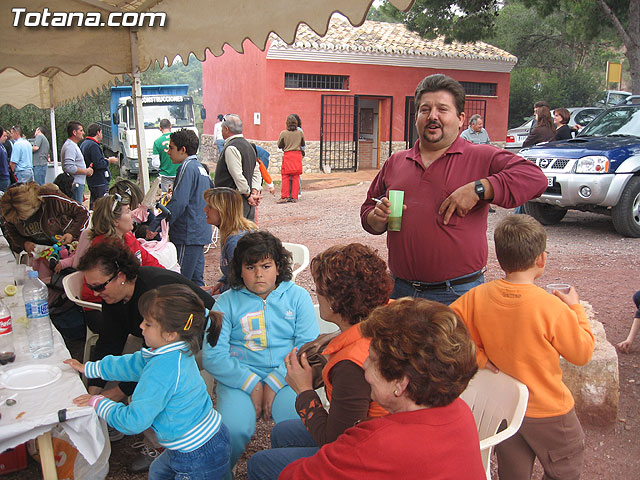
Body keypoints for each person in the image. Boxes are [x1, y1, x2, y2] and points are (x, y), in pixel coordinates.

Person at [360, 74, 547, 305]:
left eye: (442, 109)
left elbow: (535, 178)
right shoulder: (396, 162)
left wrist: (480, 188)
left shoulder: (481, 156)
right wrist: (376, 219)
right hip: (400, 291)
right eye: (425, 109)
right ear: (416, 117)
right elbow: (369, 208)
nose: (433, 116)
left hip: (458, 294)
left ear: (460, 119)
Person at [451, 215, 595, 480]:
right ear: (541, 259)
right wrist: (575, 308)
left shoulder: (476, 296)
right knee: (567, 461)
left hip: (505, 408)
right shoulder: (551, 308)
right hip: (549, 409)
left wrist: (479, 358)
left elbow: (446, 330)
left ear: (500, 258)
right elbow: (582, 353)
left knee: (513, 472)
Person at [279, 298, 485, 479]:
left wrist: (305, 393)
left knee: (262, 464)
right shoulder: (461, 410)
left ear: (401, 383)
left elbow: (292, 475)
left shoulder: (377, 442)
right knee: (283, 433)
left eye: (373, 359)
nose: (365, 364)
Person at [247, 243, 393, 480]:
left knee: (259, 464)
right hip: (387, 433)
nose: (316, 294)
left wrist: (304, 389)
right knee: (282, 433)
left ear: (335, 301)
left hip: (370, 457)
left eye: (319, 290)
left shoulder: (352, 366)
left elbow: (335, 442)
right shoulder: (391, 315)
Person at [65, 284, 231, 480]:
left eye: (148, 323)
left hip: (196, 454)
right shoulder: (169, 350)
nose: (141, 326)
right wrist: (92, 368)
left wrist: (99, 403)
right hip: (197, 440)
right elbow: (132, 364)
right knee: (158, 472)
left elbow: (133, 421)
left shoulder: (162, 370)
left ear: (170, 333)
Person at [77, 241, 215, 472]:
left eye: (99, 286)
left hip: (202, 337)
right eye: (91, 286)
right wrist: (94, 388)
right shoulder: (115, 296)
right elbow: (109, 341)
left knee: (146, 391)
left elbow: (156, 362)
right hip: (165, 340)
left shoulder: (153, 291)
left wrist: (118, 392)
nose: (94, 293)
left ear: (120, 276)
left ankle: (159, 446)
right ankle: (117, 417)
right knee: (126, 358)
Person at [202, 231, 319, 474]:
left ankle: (295, 473)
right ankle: (223, 472)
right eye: (250, 267)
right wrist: (252, 383)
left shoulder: (298, 297)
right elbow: (213, 356)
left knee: (302, 427)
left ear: (279, 267)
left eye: (266, 266)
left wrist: (274, 382)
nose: (258, 274)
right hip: (238, 379)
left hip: (288, 379)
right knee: (230, 431)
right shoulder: (224, 303)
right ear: (238, 270)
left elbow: (307, 347)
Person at [165, 129, 213, 286]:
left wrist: (161, 222)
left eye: (171, 148)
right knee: (196, 281)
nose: (168, 152)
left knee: (180, 282)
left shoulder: (186, 167)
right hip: (199, 231)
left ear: (183, 149)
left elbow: (179, 202)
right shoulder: (200, 168)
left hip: (187, 233)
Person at [0, 181, 89, 257]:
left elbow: (83, 213)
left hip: (64, 248)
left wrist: (72, 234)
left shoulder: (51, 199)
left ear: (33, 206)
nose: (21, 220)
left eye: (22, 217)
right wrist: (24, 243)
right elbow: (11, 230)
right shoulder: (10, 211)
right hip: (40, 253)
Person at [203, 187, 257, 295]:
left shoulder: (235, 241)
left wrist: (220, 291)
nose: (205, 209)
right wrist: (222, 282)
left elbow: (242, 281)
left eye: (210, 206)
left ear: (222, 210)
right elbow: (232, 270)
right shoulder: (233, 232)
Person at [215, 114, 262, 220]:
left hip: (233, 202)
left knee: (235, 234)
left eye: (222, 128)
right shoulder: (249, 146)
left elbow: (237, 176)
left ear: (226, 129)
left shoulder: (231, 147)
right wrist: (254, 190)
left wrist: (249, 195)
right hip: (244, 201)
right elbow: (256, 172)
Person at [80, 123, 118, 208]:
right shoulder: (93, 146)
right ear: (98, 132)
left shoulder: (84, 144)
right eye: (101, 132)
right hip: (99, 181)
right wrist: (109, 161)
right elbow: (99, 163)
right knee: (102, 205)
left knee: (94, 204)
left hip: (92, 180)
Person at [61, 121, 94, 204]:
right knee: (76, 211)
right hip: (75, 184)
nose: (83, 132)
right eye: (81, 130)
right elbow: (69, 167)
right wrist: (86, 171)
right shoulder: (70, 147)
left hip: (77, 184)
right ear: (74, 132)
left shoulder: (72, 145)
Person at [277, 114, 305, 204]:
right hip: (297, 155)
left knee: (285, 176)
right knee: (296, 176)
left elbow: (279, 145)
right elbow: (303, 143)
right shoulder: (300, 133)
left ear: (287, 123)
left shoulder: (283, 133)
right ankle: (294, 197)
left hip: (288, 155)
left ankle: (284, 196)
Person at [153, 119, 178, 193]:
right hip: (179, 172)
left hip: (166, 174)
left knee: (166, 197)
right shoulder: (177, 138)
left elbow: (155, 163)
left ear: (160, 128)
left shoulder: (157, 142)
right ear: (171, 126)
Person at [0, 127, 10, 192]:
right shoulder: (2, 147)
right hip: (5, 176)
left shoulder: (2, 147)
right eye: (4, 136)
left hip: (2, 178)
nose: (6, 138)